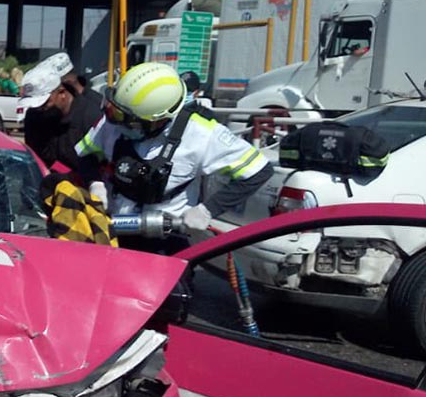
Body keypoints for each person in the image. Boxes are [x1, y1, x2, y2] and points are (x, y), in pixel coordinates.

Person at [74, 62, 274, 252]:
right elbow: (85, 155)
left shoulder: (202, 133)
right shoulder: (116, 120)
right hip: (111, 233)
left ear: (157, 120)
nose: (119, 124)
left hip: (166, 240)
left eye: (130, 121)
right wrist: (95, 183)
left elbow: (259, 171)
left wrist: (208, 210)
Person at [20, 52, 102, 170]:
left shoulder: (91, 117)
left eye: (44, 103)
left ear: (62, 92)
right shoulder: (35, 116)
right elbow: (37, 157)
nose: (40, 109)